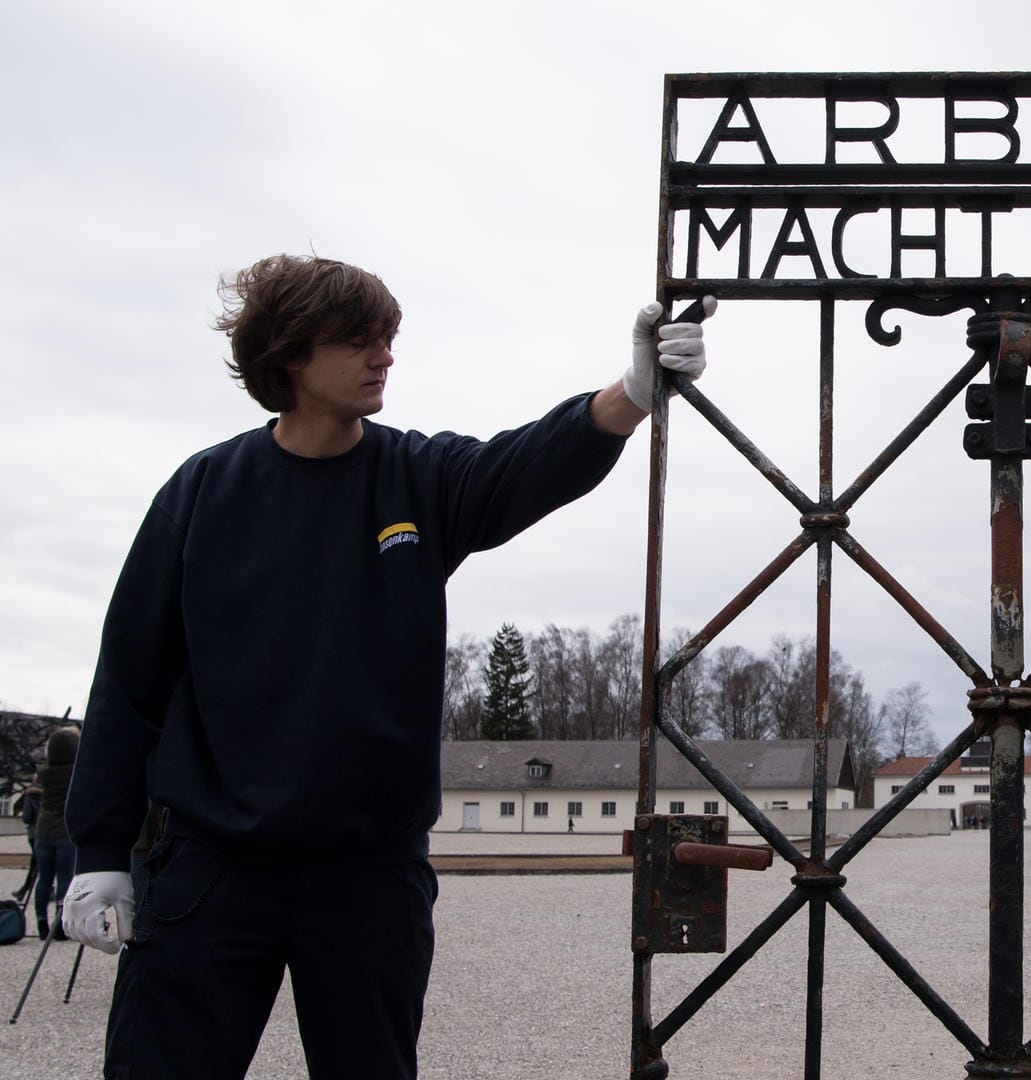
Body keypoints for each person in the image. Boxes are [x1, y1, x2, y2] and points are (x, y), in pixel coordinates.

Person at [58, 254, 713, 1079]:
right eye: (360, 340)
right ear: (290, 355)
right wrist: (100, 851)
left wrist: (631, 393)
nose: (385, 355)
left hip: (368, 878)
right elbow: (128, 682)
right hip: (212, 870)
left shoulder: (419, 478)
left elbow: (521, 466)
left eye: (388, 337)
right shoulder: (202, 495)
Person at [32, 727, 80, 940]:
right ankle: (60, 924)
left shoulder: (44, 772)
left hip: (43, 829)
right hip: (64, 829)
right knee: (64, 879)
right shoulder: (75, 772)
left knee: (44, 878)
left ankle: (41, 921)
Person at [11, 782, 40, 904]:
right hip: (57, 834)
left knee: (36, 865)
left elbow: (26, 817)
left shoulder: (30, 795)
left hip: (36, 833)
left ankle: (24, 891)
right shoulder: (57, 789)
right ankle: (23, 891)